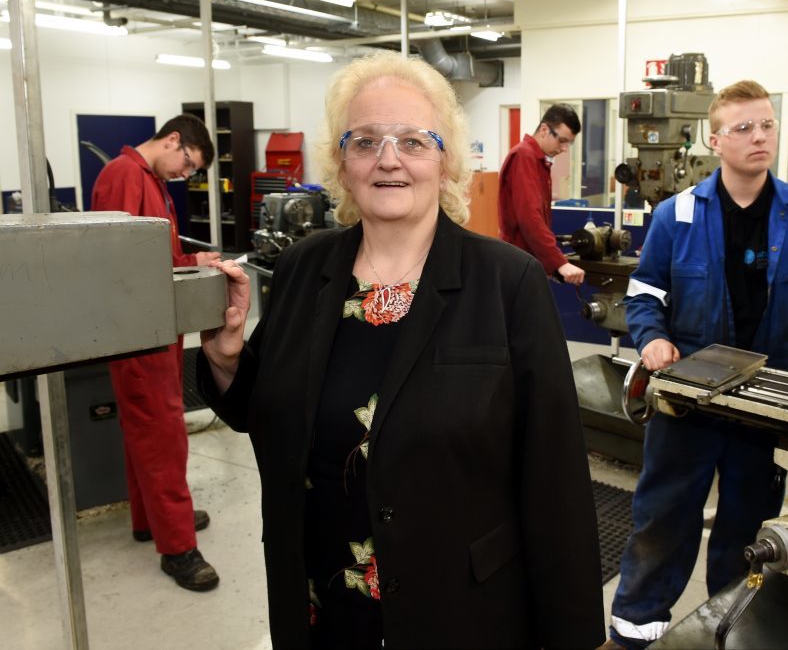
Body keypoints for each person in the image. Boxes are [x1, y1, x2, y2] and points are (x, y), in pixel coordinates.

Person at [197, 51, 605, 649]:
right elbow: (269, 412)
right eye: (365, 141)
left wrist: (573, 634)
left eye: (414, 140)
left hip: (458, 609)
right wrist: (227, 357)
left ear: (446, 160)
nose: (388, 159)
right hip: (322, 604)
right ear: (341, 162)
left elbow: (555, 476)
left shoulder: (507, 281)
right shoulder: (304, 268)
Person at [604, 81, 788, 649]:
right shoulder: (677, 215)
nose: (759, 136)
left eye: (766, 125)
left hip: (767, 399)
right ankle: (634, 634)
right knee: (663, 520)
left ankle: (732, 632)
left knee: (749, 531)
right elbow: (645, 294)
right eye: (743, 128)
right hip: (687, 397)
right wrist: (651, 340)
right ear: (715, 140)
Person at [90, 113, 221, 592]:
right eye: (187, 164)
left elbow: (153, 258)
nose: (184, 175)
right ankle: (178, 547)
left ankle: (150, 520)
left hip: (152, 330)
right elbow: (124, 265)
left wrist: (191, 261)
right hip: (140, 333)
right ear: (172, 140)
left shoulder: (145, 178)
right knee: (163, 436)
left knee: (143, 432)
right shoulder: (125, 176)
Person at [499, 103, 587, 285]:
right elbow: (530, 217)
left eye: (568, 143)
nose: (564, 148)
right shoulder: (524, 156)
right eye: (562, 140)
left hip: (528, 262)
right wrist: (559, 262)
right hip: (517, 263)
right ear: (545, 129)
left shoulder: (539, 161)